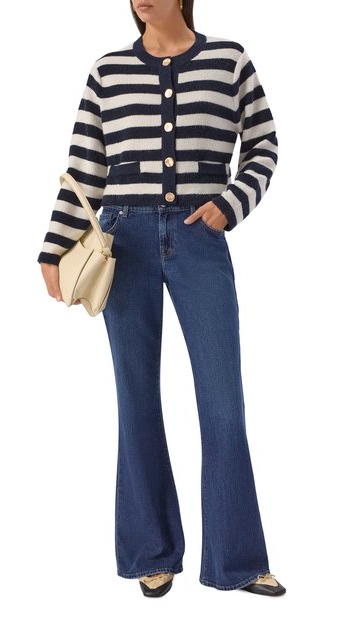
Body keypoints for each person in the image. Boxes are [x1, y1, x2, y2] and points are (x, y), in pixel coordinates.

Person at [38, 0, 286, 599]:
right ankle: (151, 553)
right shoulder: (107, 71)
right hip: (123, 243)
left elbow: (264, 145)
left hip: (201, 239)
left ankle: (238, 561)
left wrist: (229, 203)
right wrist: (54, 245)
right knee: (137, 401)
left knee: (223, 404)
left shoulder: (229, 61)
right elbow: (85, 166)